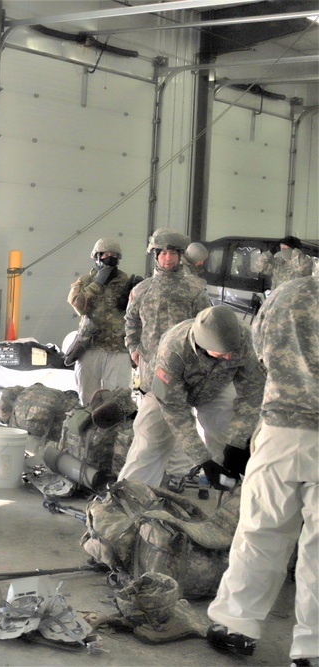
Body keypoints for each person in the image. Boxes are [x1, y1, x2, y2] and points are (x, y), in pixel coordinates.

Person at [206, 276, 317, 665]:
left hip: (281, 429)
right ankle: (311, 651)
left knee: (261, 530)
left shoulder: (287, 294)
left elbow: (260, 352)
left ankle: (235, 626)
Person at [118, 305, 265, 491]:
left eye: (232, 352)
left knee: (227, 439)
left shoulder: (246, 339)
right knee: (149, 440)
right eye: (222, 354)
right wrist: (202, 459)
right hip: (167, 392)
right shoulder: (173, 351)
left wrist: (237, 441)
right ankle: (128, 499)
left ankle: (232, 506)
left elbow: (252, 394)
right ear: (203, 345)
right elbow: (176, 412)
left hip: (217, 387)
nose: (229, 357)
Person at [125, 228, 212, 491]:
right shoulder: (142, 289)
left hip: (183, 367)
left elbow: (206, 325)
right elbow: (131, 320)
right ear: (155, 255)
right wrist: (133, 347)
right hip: (151, 365)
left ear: (180, 255)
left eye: (172, 252)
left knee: (179, 417)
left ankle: (177, 471)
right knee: (151, 423)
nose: (167, 258)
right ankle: (151, 479)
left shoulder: (194, 289)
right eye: (161, 252)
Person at [67, 238, 137, 404]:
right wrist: (97, 283)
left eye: (113, 255)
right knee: (87, 396)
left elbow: (138, 314)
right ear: (96, 257)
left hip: (118, 348)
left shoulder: (127, 283)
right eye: (105, 254)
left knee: (117, 398)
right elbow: (79, 305)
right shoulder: (85, 281)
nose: (109, 258)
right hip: (90, 346)